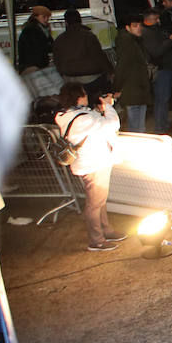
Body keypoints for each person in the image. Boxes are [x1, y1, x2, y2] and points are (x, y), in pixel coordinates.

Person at [54, 82, 127, 252]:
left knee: (99, 201)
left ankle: (106, 230)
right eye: (84, 94)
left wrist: (104, 105)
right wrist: (108, 106)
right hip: (93, 164)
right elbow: (112, 124)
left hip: (89, 163)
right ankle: (97, 240)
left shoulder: (67, 114)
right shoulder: (84, 119)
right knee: (94, 203)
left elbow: (94, 120)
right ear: (78, 97)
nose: (87, 96)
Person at [53, 8, 113, 97]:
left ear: (66, 22)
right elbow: (99, 57)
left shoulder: (59, 39)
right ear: (80, 20)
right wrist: (110, 71)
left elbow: (57, 61)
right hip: (91, 78)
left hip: (69, 79)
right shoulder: (88, 36)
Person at [141, 8, 172, 133]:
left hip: (166, 67)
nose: (158, 20)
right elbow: (156, 52)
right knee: (161, 99)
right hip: (161, 69)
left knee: (163, 99)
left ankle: (164, 125)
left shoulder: (154, 30)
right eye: (155, 18)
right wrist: (170, 41)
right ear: (148, 20)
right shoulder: (147, 33)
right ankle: (160, 129)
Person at [112, 13, 152, 132]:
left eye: (140, 25)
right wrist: (117, 87)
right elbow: (122, 67)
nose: (139, 28)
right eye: (135, 26)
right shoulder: (127, 42)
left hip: (137, 89)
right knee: (136, 127)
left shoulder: (134, 40)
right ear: (127, 27)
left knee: (138, 125)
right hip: (132, 89)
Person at [16, 4, 53, 75]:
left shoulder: (42, 29)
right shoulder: (31, 30)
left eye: (48, 17)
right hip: (32, 66)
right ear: (36, 17)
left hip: (35, 65)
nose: (46, 19)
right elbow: (39, 47)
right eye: (44, 17)